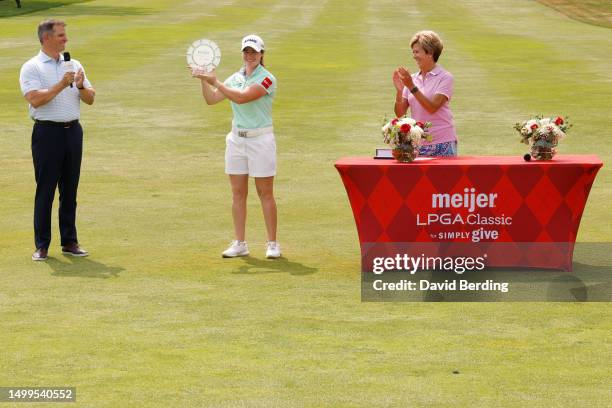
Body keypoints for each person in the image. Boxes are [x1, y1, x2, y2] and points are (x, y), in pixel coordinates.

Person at [189, 34, 281, 259]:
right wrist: (203, 78)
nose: (250, 56)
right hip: (237, 140)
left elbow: (241, 98)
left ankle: (272, 243)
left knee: (265, 193)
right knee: (238, 193)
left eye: (254, 52)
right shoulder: (235, 77)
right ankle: (240, 243)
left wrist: (215, 81)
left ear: (261, 54)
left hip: (261, 140)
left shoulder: (267, 79)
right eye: (246, 52)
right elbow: (211, 100)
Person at [19, 19, 95, 261]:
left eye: (65, 35)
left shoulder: (74, 63)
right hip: (47, 134)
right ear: (46, 38)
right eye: (61, 36)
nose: (66, 39)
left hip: (73, 132)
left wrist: (81, 86)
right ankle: (42, 245)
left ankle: (69, 241)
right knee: (46, 190)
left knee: (70, 190)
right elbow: (35, 99)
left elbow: (91, 98)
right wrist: (62, 84)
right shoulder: (32, 67)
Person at [393, 30, 457, 157]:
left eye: (417, 52)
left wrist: (411, 86)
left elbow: (432, 107)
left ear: (430, 53)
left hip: (442, 143)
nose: (414, 56)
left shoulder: (445, 77)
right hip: (417, 144)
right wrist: (400, 91)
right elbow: (400, 113)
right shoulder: (412, 79)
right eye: (413, 52)